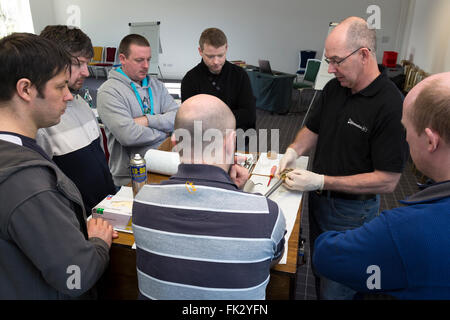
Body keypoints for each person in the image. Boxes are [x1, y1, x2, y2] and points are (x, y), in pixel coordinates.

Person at [277, 16, 408, 299]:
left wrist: (322, 180)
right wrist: (293, 151)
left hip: (352, 213)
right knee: (319, 268)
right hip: (318, 199)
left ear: (364, 55)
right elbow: (312, 129)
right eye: (328, 61)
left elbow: (387, 181)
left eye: (337, 61)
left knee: (338, 286)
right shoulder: (335, 88)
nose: (331, 69)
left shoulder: (391, 105)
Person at [132, 94, 286, 300]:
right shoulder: (268, 214)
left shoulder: (142, 201)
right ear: (230, 142)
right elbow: (271, 259)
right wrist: (240, 194)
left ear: (175, 143)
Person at [313, 72, 450, 299]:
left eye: (406, 130)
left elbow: (326, 256)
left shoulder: (404, 228)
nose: (404, 139)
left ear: (430, 140)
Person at [0, 33, 117, 299]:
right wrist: (96, 242)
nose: (68, 96)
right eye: (59, 87)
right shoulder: (26, 182)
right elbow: (75, 275)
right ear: (26, 89)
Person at [37, 25, 116, 216]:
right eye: (79, 63)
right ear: (53, 61)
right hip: (80, 223)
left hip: (107, 211)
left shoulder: (82, 104)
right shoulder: (43, 121)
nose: (87, 73)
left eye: (87, 64)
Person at [97, 34, 179, 186]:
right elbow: (128, 135)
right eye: (139, 60)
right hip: (130, 178)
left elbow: (177, 117)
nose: (146, 65)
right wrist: (164, 131)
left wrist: (147, 120)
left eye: (148, 59)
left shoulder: (156, 85)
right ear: (122, 59)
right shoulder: (109, 92)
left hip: (163, 166)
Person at [181, 27, 256, 134]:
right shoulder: (190, 79)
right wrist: (230, 116)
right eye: (210, 56)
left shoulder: (240, 75)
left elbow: (249, 115)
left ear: (226, 48)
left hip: (237, 138)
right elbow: (189, 120)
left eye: (220, 55)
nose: (216, 61)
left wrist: (211, 119)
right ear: (200, 51)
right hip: (204, 139)